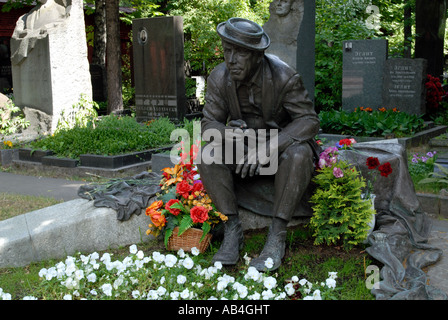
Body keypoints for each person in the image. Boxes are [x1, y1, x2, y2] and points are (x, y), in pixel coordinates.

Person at [197, 17, 320, 271]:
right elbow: (209, 126)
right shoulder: (219, 78)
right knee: (208, 154)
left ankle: (277, 234)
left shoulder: (284, 77)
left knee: (299, 154)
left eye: (240, 53)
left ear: (257, 56)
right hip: (243, 146)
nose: (231, 60)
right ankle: (233, 230)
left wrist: (271, 147)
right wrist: (231, 136)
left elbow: (308, 120)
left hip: (280, 147)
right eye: (227, 50)